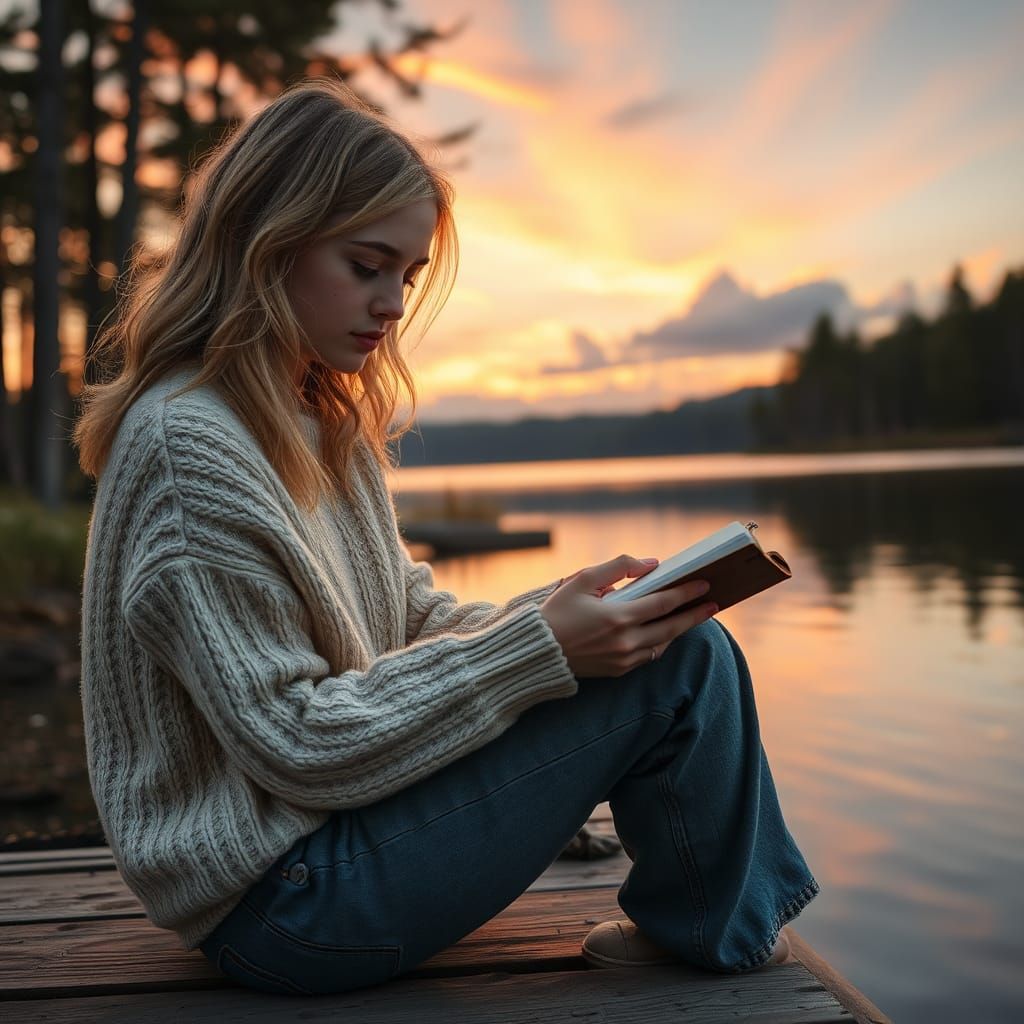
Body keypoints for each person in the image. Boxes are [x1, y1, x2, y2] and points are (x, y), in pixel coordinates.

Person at [73, 78, 818, 997]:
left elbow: (404, 613)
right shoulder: (189, 448)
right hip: (283, 906)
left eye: (408, 276)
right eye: (367, 264)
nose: (392, 304)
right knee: (682, 665)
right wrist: (542, 649)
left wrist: (559, 614)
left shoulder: (309, 417)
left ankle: (709, 915)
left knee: (670, 632)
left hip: (324, 853)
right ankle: (718, 930)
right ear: (267, 242)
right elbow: (295, 739)